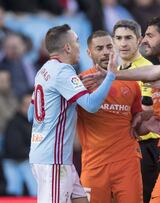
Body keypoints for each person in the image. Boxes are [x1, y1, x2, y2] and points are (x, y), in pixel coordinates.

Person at [83, 16, 160, 203]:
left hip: (156, 147)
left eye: (130, 37)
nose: (123, 43)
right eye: (119, 38)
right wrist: (145, 116)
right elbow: (145, 112)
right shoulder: (152, 68)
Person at [28, 24, 116, 203]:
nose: (78, 47)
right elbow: (91, 105)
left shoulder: (43, 70)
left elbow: (31, 114)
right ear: (67, 47)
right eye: (76, 41)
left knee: (81, 200)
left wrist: (72, 88)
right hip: (54, 160)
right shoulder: (63, 71)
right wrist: (111, 76)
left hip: (44, 155)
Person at [78, 27, 160, 203]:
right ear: (89, 52)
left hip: (127, 164)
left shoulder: (130, 83)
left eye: (109, 47)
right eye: (99, 48)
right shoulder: (81, 82)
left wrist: (146, 126)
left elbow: (135, 126)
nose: (105, 52)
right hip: (94, 165)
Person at [2, 91, 36, 196]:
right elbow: (15, 149)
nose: (29, 108)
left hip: (29, 160)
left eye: (32, 105)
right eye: (26, 105)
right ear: (20, 105)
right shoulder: (13, 123)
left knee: (36, 190)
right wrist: (36, 152)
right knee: (14, 190)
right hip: (13, 161)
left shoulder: (38, 123)